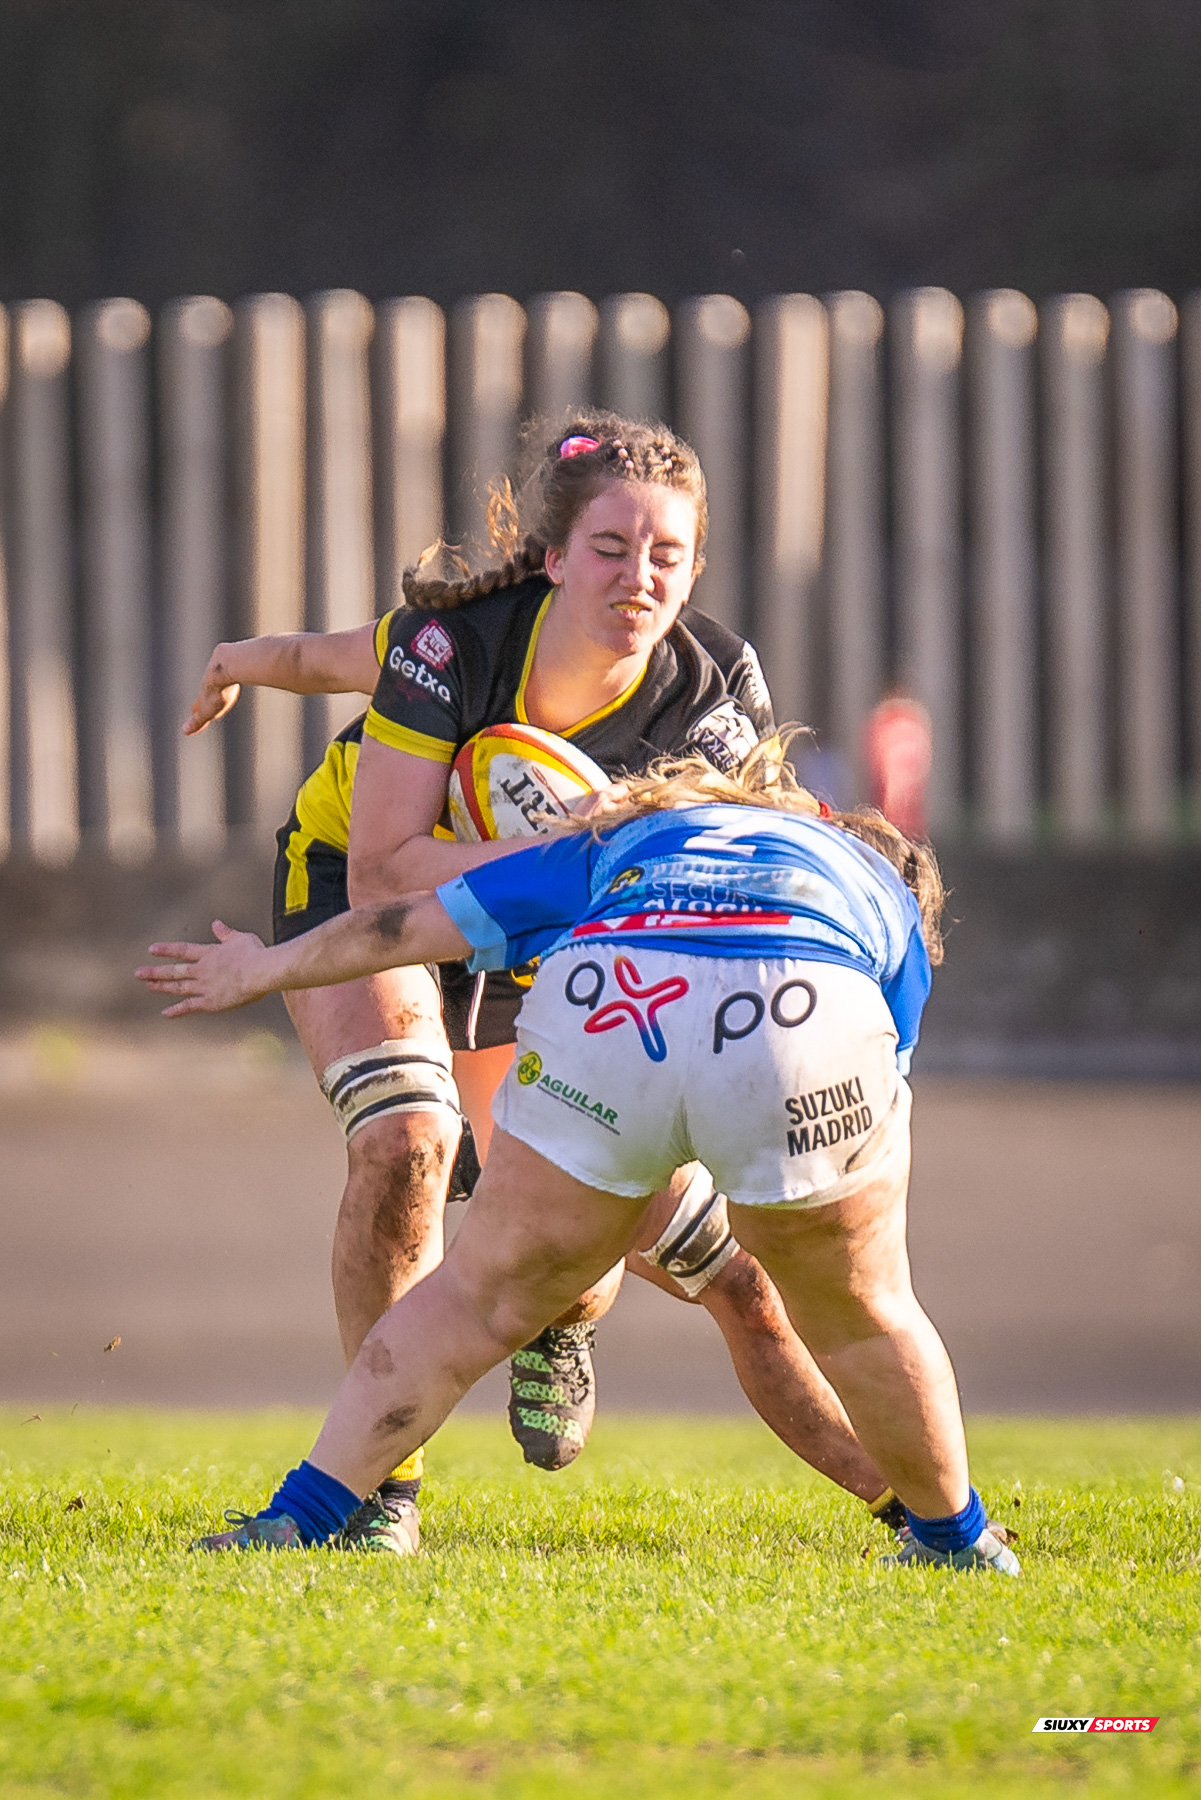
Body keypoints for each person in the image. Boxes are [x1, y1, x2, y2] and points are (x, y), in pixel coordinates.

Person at [180, 414, 923, 1551]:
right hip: (359, 893)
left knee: (664, 1249)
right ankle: (380, 1500)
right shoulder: (456, 646)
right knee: (408, 1140)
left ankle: (928, 1516)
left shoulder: (715, 689)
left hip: (563, 931)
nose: (637, 577)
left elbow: (725, 862)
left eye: (665, 554)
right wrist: (241, 659)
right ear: (556, 558)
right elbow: (383, 861)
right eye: (611, 549)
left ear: (696, 568)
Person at [138, 743, 1019, 1575]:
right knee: (864, 1314)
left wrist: (267, 967)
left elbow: (404, 925)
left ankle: (302, 1515)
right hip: (800, 1007)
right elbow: (882, 1063)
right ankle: (955, 1541)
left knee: (472, 1299)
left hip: (611, 998)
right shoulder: (879, 889)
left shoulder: (629, 838)